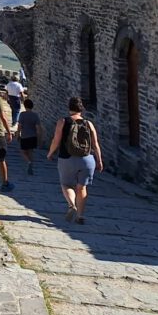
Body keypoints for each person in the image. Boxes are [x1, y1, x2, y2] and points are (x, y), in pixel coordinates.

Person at [46, 96, 104, 224]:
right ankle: (80, 216)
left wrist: (50, 153)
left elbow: (56, 140)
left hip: (67, 158)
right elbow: (95, 144)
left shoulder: (63, 121)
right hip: (87, 160)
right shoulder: (89, 124)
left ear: (69, 108)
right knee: (81, 188)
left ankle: (72, 205)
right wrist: (99, 161)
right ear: (81, 109)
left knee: (66, 184)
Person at [16, 98, 44, 175]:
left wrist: (18, 135)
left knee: (23, 151)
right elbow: (38, 128)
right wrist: (39, 138)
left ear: (25, 106)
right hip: (33, 136)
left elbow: (19, 126)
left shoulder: (22, 114)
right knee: (31, 152)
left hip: (25, 136)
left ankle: (28, 162)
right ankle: (31, 165)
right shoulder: (35, 115)